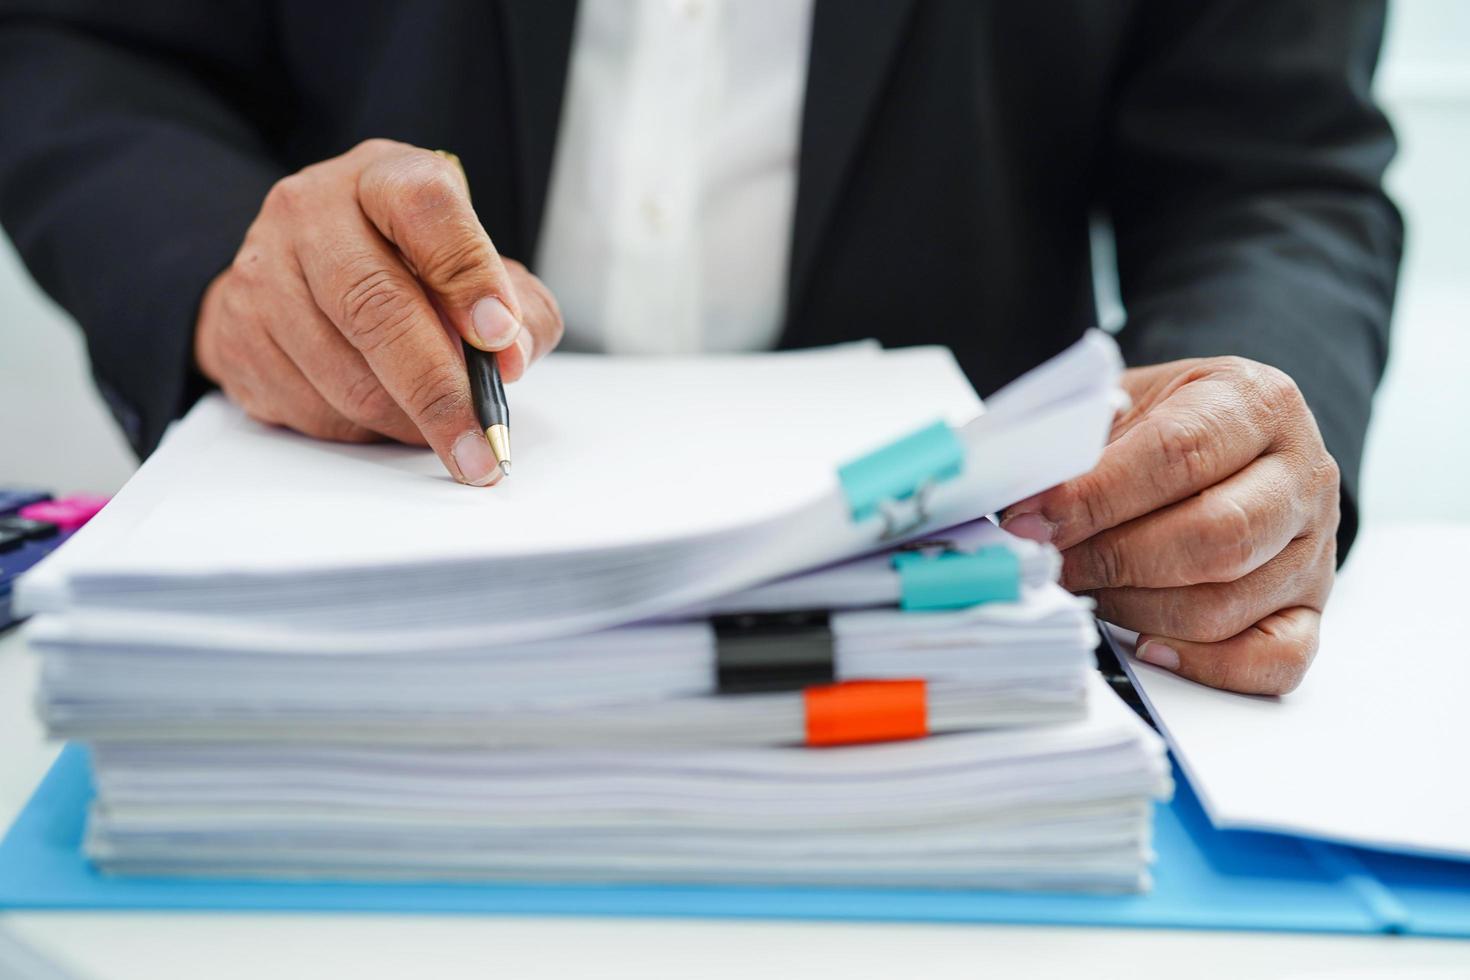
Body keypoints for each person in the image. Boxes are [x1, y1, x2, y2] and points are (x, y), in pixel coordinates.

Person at [0, 1, 1401, 696]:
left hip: (959, 623)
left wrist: (1230, 432)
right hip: (360, 548)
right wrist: (217, 262)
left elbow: (1268, 166)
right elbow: (78, 44)